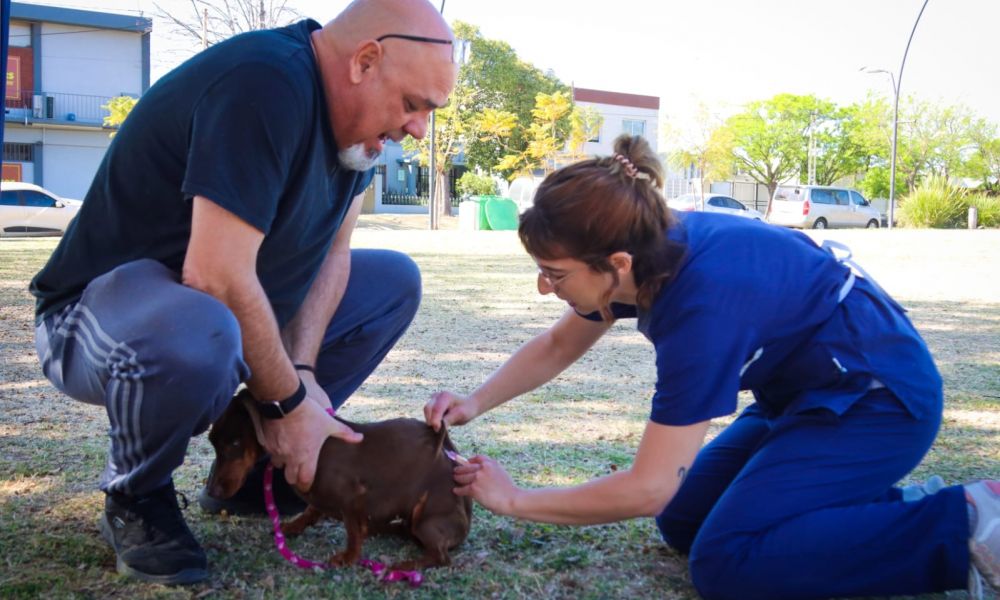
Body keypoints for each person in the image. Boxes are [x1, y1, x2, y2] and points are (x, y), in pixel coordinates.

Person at [425, 134, 999, 599]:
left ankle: (966, 526)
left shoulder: (702, 304)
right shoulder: (646, 251)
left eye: (555, 273)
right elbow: (557, 346)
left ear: (616, 263)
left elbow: (647, 487)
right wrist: (475, 402)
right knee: (684, 520)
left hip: (880, 402)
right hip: (804, 399)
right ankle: (888, 507)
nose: (544, 287)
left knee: (728, 563)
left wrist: (516, 499)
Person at [29, 0, 457, 586]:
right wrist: (283, 403)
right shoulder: (265, 85)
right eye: (413, 105)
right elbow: (215, 274)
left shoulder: (358, 135)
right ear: (364, 61)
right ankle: (137, 493)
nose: (417, 128)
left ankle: (260, 475)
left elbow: (331, 255)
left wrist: (302, 374)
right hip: (95, 320)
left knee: (391, 283)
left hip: (208, 318)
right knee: (200, 326)